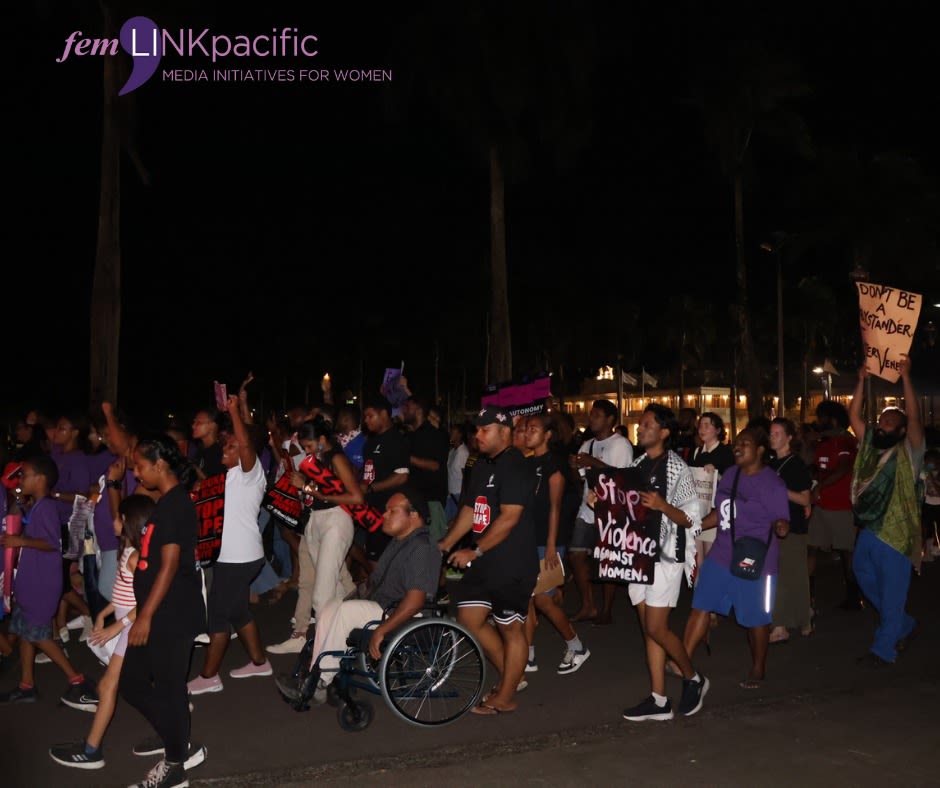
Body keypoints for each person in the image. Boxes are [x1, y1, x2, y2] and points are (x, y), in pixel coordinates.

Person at [50, 495, 209, 771]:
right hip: (126, 627)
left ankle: (95, 750)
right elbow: (126, 597)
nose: (113, 521)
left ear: (130, 523)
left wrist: (117, 626)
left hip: (131, 630)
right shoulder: (129, 551)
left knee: (113, 686)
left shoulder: (137, 557)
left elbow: (148, 600)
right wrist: (102, 613)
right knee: (117, 686)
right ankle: (101, 747)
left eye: (118, 517)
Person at [274, 487, 441, 704]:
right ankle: (314, 673)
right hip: (383, 605)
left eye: (393, 511)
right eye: (386, 510)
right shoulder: (401, 542)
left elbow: (416, 601)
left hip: (401, 613)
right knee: (329, 608)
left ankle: (320, 681)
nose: (384, 515)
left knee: (345, 611)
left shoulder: (422, 548)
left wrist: (383, 629)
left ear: (414, 515)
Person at [120, 433, 207, 788]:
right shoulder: (166, 502)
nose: (136, 472)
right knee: (133, 683)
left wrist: (145, 616)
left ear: (159, 465)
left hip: (170, 615)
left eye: (140, 465)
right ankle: (177, 738)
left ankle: (175, 767)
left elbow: (169, 565)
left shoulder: (176, 506)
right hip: (159, 614)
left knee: (169, 689)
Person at [440, 405, 538, 715]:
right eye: (477, 429)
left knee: (512, 630)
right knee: (469, 620)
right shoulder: (481, 465)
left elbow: (509, 519)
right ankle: (514, 675)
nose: (477, 435)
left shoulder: (516, 465)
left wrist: (475, 550)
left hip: (511, 563)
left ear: (505, 433)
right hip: (483, 563)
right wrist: (445, 543)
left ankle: (506, 695)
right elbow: (470, 511)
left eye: (485, 430)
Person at [681, 427, 790, 689]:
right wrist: (693, 526)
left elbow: (781, 519)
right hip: (721, 552)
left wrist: (781, 526)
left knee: (756, 618)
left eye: (746, 443)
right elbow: (722, 513)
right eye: (737, 443)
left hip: (756, 560)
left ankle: (758, 668)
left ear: (760, 449)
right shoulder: (730, 474)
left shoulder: (771, 483)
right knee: (701, 605)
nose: (738, 447)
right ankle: (681, 660)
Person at [621, 405, 707, 722]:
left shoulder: (676, 468)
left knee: (657, 627)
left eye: (646, 424)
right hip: (638, 554)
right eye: (640, 425)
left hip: (666, 556)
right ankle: (658, 700)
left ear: (664, 432)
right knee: (649, 631)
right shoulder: (639, 464)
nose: (640, 429)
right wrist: (601, 499)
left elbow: (690, 519)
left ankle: (693, 677)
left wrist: (662, 505)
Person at [188, 396, 272, 695]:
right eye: (227, 444)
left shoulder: (252, 475)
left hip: (239, 558)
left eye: (232, 446)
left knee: (219, 616)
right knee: (238, 613)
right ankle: (259, 662)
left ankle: (209, 676)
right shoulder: (229, 477)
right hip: (233, 556)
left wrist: (234, 411)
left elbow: (247, 445)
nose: (226, 448)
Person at [0, 455, 97, 708]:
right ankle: (26, 685)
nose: (21, 480)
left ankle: (77, 680)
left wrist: (20, 541)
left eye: (25, 475)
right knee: (24, 632)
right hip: (30, 581)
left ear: (40, 479)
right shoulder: (37, 506)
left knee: (40, 636)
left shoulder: (47, 508)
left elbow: (51, 544)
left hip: (41, 584)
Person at [848, 356, 923, 666]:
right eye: (882, 418)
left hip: (897, 533)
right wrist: (861, 381)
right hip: (870, 530)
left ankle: (884, 649)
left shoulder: (910, 449)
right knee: (862, 575)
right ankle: (902, 623)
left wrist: (905, 377)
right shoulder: (871, 448)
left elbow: (915, 417)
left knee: (892, 594)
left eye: (891, 419)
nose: (883, 421)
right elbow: (853, 416)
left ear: (903, 428)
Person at [267, 417, 360, 655]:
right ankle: (301, 634)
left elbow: (356, 497)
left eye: (308, 446)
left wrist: (307, 488)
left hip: (335, 521)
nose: (305, 451)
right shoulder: (318, 459)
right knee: (311, 581)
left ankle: (327, 649)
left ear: (321, 440)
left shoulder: (336, 458)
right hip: (314, 520)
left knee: (324, 593)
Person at [522, 413, 588, 675]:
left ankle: (577, 646)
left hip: (547, 541)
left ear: (548, 435)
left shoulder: (554, 465)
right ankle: (527, 655)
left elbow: (555, 507)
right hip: (528, 539)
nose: (528, 433)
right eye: (526, 429)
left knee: (543, 600)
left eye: (534, 429)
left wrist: (551, 546)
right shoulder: (529, 463)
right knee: (526, 599)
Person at [568, 400, 633, 625]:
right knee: (576, 554)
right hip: (587, 509)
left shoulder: (621, 445)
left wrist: (592, 462)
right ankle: (589, 605)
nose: (592, 418)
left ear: (610, 419)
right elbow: (581, 479)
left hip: (612, 510)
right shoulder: (586, 444)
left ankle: (606, 609)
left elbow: (622, 479)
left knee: (608, 559)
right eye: (591, 414)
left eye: (597, 415)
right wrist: (574, 468)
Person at [807, 400, 860, 611]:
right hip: (822, 506)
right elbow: (817, 467)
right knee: (810, 547)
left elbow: (844, 468)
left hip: (842, 506)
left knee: (847, 551)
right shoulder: (824, 442)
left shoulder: (845, 442)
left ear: (833, 419)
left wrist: (820, 486)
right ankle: (807, 595)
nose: (818, 421)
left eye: (822, 417)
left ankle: (854, 597)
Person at [767, 417, 814, 643]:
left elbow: (805, 498)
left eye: (777, 433)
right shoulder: (769, 463)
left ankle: (793, 620)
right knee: (780, 576)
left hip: (792, 525)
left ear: (789, 437)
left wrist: (779, 490)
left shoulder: (795, 464)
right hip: (771, 526)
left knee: (792, 576)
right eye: (771, 433)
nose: (772, 436)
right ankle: (787, 621)